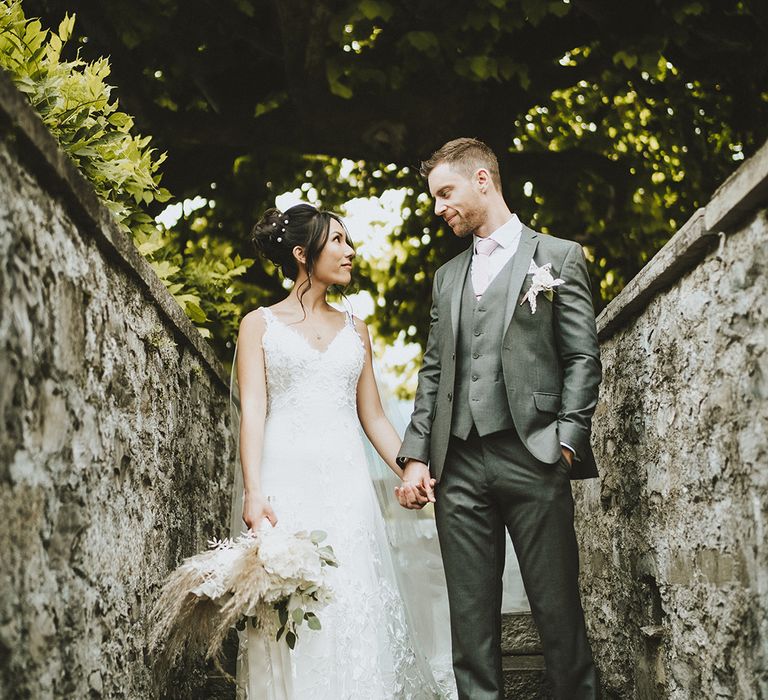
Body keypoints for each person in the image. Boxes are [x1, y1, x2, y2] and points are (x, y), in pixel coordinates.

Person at [395, 138, 601, 699]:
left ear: (482, 180)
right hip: (458, 464)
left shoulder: (557, 258)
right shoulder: (446, 276)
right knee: (471, 625)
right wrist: (415, 456)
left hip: (533, 454)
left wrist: (566, 440)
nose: (438, 207)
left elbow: (583, 356)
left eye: (446, 192)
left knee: (558, 613)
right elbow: (434, 371)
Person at [232, 203, 453, 699]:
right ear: (302, 254)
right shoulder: (258, 325)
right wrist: (253, 491)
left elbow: (372, 415)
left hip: (347, 479)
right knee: (291, 600)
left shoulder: (357, 328)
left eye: (348, 241)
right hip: (285, 478)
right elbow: (254, 410)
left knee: (351, 597)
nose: (350, 251)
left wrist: (411, 468)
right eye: (337, 241)